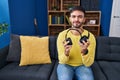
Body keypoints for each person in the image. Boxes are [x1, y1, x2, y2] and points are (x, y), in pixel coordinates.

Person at [57, 6, 96, 80]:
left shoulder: (90, 37)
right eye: (74, 16)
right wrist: (66, 53)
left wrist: (84, 52)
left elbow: (89, 63)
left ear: (84, 19)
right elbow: (61, 61)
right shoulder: (62, 35)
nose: (76, 19)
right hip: (65, 65)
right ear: (70, 19)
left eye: (80, 17)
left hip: (82, 66)